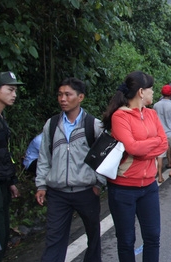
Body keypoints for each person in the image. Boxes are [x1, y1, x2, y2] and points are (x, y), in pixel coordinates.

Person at [35, 77, 105, 262]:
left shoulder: (93, 125)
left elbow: (105, 156)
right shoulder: (51, 125)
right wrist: (41, 185)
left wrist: (99, 183)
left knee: (93, 237)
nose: (62, 99)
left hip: (86, 191)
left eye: (68, 94)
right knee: (54, 239)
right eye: (60, 95)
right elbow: (44, 157)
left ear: (80, 97)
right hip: (58, 193)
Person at [102, 71, 168, 262]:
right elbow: (131, 147)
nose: (153, 93)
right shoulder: (120, 117)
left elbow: (163, 143)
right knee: (126, 240)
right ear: (141, 92)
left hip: (149, 186)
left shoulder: (152, 114)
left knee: (153, 237)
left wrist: (142, 149)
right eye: (151, 89)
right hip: (123, 187)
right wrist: (151, 144)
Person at [0, 71, 23, 262]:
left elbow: (2, 155)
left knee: (1, 235)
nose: (14, 94)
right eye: (10, 90)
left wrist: (11, 181)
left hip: (0, 186)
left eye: (15, 90)